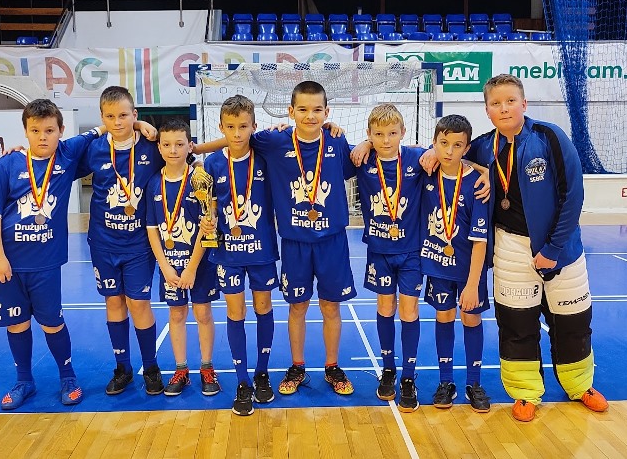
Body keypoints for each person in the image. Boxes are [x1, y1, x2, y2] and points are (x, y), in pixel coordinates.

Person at [195, 81, 357, 396]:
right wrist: (196, 150)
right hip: (294, 242)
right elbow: (237, 136)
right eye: (303, 109)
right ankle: (297, 366)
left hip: (332, 241)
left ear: (327, 112)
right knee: (297, 307)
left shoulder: (337, 142)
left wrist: (362, 143)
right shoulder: (274, 140)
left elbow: (365, 159)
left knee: (331, 308)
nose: (310, 116)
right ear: (290, 111)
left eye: (317, 110)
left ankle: (332, 366)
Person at [466, 73, 608, 422]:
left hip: (561, 250)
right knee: (516, 324)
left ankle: (580, 386)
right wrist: (429, 155)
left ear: (524, 104)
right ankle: (526, 393)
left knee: (574, 320)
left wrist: (553, 248)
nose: (504, 108)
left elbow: (573, 196)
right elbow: (447, 152)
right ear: (487, 110)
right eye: (496, 103)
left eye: (510, 101)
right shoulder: (482, 147)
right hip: (509, 248)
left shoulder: (550, 137)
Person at [0, 99, 104, 410]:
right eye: (35, 130)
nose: (43, 136)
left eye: (49, 130)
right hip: (8, 263)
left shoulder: (67, 155)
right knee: (16, 323)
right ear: (25, 131)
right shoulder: (8, 164)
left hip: (45, 264)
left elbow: (103, 130)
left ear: (61, 131)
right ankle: (24, 381)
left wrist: (139, 124)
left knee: (52, 323)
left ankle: (68, 378)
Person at [80, 86, 166, 396]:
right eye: (110, 116)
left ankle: (151, 367)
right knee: (113, 302)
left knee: (139, 303)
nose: (117, 122)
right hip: (103, 243)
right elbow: (56, 161)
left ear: (135, 114)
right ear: (102, 118)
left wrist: (145, 128)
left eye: (124, 115)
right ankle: (123, 368)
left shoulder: (151, 147)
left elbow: (181, 158)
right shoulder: (93, 149)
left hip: (139, 244)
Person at [200, 95, 280, 415]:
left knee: (263, 307)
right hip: (228, 253)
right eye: (230, 127)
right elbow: (209, 207)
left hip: (261, 250)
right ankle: (243, 381)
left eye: (243, 126)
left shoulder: (265, 157)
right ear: (221, 127)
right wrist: (208, 224)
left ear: (253, 126)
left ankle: (262, 373)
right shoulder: (212, 164)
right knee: (236, 312)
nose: (237, 133)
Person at [351, 104, 426, 412]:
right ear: (369, 134)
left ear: (403, 133)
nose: (385, 140)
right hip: (379, 251)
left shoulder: (418, 158)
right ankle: (389, 369)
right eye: (378, 134)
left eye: (392, 133)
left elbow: (453, 151)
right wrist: (363, 144)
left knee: (409, 311)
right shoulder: (363, 160)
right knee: (385, 307)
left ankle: (408, 376)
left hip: (411, 252)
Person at [419, 114, 492, 412]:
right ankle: (445, 382)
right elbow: (392, 149)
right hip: (438, 266)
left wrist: (473, 285)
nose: (449, 151)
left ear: (467, 147)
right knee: (444, 316)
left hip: (469, 270)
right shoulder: (425, 172)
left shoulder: (477, 184)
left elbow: (480, 241)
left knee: (471, 319)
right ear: (434, 142)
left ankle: (474, 383)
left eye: (457, 145)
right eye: (443, 143)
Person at [145, 119, 221, 397]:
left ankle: (207, 367)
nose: (173, 150)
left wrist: (191, 268)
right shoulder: (154, 183)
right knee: (176, 314)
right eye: (166, 144)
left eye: (179, 144)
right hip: (170, 265)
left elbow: (207, 227)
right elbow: (152, 230)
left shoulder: (200, 180)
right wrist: (165, 267)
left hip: (199, 264)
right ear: (159, 147)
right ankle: (181, 369)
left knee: (202, 313)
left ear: (190, 146)